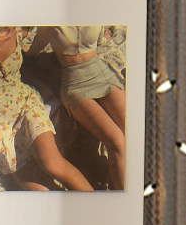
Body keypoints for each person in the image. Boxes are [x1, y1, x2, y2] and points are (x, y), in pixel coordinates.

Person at [0, 26, 93, 192]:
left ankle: (98, 208)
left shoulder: (16, 30)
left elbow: (43, 34)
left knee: (53, 164)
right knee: (38, 191)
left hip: (25, 102)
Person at [34, 24, 125, 189]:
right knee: (117, 141)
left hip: (101, 72)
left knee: (134, 134)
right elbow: (34, 48)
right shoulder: (52, 16)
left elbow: (100, 38)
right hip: (75, 83)